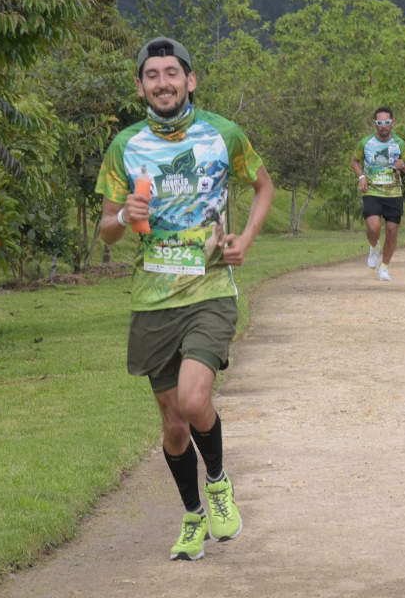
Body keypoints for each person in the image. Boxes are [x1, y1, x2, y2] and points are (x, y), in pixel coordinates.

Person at [96, 37, 275, 561]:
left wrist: (245, 238)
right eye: (152, 75)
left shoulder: (223, 133)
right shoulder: (124, 146)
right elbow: (107, 231)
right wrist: (124, 217)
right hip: (153, 298)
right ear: (140, 86)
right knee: (173, 426)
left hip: (210, 287)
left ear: (190, 80)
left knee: (196, 402)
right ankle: (193, 514)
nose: (163, 83)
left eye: (171, 73)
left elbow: (263, 187)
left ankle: (219, 484)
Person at [351, 107, 405, 281]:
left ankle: (384, 267)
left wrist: (403, 166)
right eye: (380, 123)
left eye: (387, 122)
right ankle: (374, 246)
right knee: (373, 227)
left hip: (393, 192)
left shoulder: (400, 144)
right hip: (372, 190)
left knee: (392, 232)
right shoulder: (366, 143)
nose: (383, 126)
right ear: (374, 124)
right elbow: (354, 161)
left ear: (393, 123)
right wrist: (361, 176)